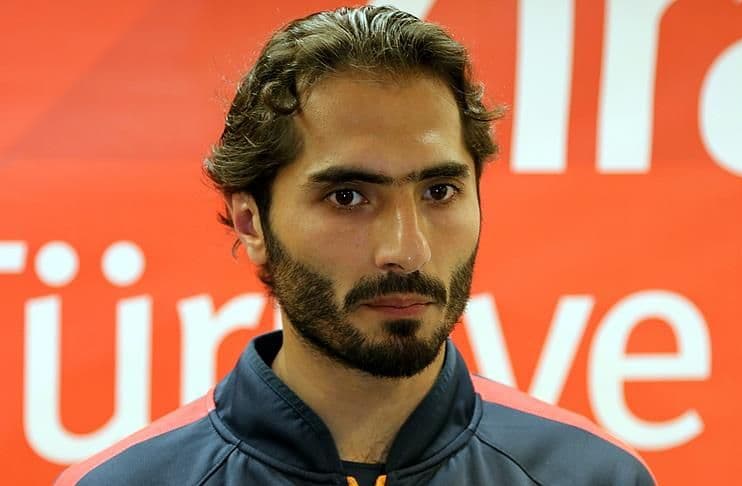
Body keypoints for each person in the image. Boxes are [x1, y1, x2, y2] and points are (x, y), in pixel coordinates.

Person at [56, 6, 655, 485]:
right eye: (348, 197)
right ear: (250, 223)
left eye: (439, 191)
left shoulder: (594, 475)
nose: (407, 250)